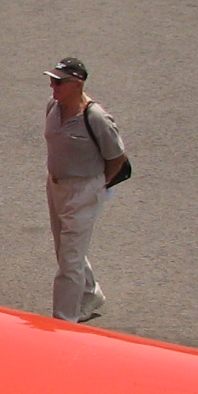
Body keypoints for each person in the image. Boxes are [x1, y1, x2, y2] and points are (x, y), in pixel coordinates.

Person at [42, 56, 127, 323]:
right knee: (66, 251)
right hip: (56, 186)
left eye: (59, 82)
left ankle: (63, 322)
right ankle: (90, 293)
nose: (53, 86)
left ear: (78, 84)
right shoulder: (53, 107)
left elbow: (117, 157)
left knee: (69, 261)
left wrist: (97, 186)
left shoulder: (96, 117)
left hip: (84, 190)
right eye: (52, 80)